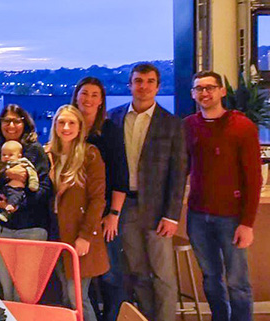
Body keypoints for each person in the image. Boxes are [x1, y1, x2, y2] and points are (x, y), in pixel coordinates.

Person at [108, 63, 187, 321]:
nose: (144, 86)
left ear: (158, 86)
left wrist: (172, 215)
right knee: (137, 272)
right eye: (138, 81)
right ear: (130, 85)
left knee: (163, 276)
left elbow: (178, 173)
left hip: (158, 210)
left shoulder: (171, 123)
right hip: (125, 207)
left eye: (149, 81)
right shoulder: (114, 118)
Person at [185, 70, 259, 321]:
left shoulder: (241, 126)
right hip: (197, 216)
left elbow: (254, 178)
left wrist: (247, 223)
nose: (204, 93)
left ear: (222, 91)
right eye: (199, 89)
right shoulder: (189, 126)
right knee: (210, 279)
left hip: (231, 217)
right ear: (193, 94)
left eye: (210, 87)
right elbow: (180, 167)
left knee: (238, 282)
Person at [0, 103, 53, 301]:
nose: (11, 125)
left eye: (16, 121)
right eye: (6, 120)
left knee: (26, 293)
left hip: (32, 228)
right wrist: (4, 179)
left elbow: (44, 190)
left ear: (25, 123)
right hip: (4, 229)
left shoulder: (35, 151)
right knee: (6, 290)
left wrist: (16, 204)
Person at [70, 76, 128, 321]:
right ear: (76, 96)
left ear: (102, 100)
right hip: (74, 215)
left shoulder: (109, 131)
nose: (89, 99)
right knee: (82, 278)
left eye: (95, 95)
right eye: (85, 94)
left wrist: (113, 215)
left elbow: (120, 175)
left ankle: (111, 317)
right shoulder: (69, 127)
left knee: (109, 273)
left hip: (103, 214)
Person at [47, 105, 109, 321]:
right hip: (55, 235)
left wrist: (85, 236)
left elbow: (98, 199)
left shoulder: (89, 154)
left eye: (71, 123)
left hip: (79, 236)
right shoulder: (48, 154)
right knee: (65, 297)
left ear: (80, 127)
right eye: (61, 122)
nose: (66, 127)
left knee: (78, 298)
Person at [0, 140, 39, 222]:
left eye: (10, 155)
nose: (6, 157)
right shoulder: (0, 164)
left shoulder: (24, 163)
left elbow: (32, 174)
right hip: (4, 189)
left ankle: (6, 213)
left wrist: (33, 184)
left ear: (19, 156)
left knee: (13, 202)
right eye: (4, 155)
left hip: (16, 189)